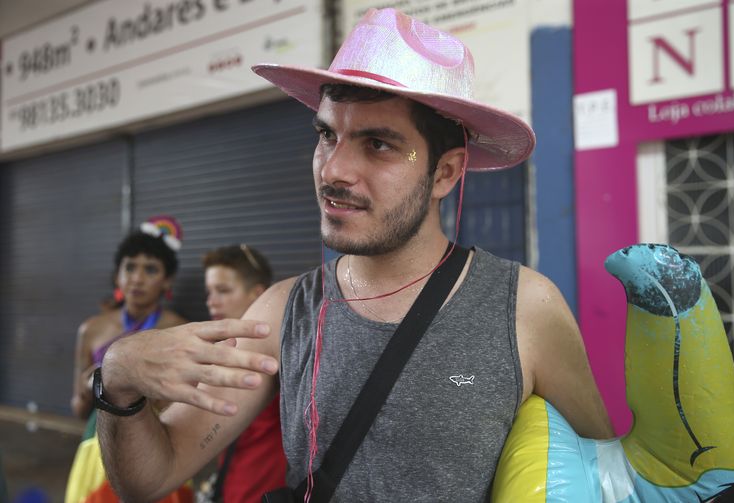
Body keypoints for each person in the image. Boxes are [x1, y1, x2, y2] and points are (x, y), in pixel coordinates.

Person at [96, 9, 615, 502]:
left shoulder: (525, 309)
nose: (333, 170)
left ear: (446, 173)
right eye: (327, 135)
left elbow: (604, 475)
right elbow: (149, 479)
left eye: (378, 144)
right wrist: (116, 379)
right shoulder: (281, 313)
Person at [65, 216, 192, 503]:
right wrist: (92, 386)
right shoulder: (91, 329)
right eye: (130, 266)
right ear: (118, 274)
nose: (137, 277)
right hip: (99, 448)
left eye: (150, 269)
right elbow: (77, 408)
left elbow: (185, 406)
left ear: (167, 280)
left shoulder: (178, 330)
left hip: (159, 447)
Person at [200, 245, 286, 502]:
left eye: (223, 291)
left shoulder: (282, 349)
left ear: (257, 293)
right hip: (230, 485)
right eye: (209, 292)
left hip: (264, 489)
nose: (211, 301)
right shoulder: (221, 348)